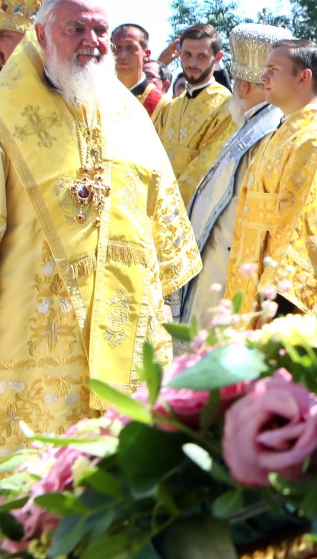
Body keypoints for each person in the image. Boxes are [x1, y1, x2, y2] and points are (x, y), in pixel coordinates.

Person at [0, 0, 199, 472]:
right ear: (41, 36)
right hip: (29, 330)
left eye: (99, 30)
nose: (92, 42)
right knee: (26, 463)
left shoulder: (130, 114)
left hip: (126, 316)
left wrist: (165, 300)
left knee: (116, 464)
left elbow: (160, 208)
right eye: (75, 28)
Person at [227, 39, 317, 321]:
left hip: (288, 305)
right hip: (254, 283)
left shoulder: (316, 140)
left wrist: (278, 306)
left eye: (273, 69)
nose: (263, 77)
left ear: (303, 76)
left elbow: (311, 233)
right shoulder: (284, 132)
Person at [178, 23, 291, 330]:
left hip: (228, 267)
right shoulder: (256, 125)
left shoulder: (267, 130)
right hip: (224, 261)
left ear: (242, 86)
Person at [154, 23, 235, 204]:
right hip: (156, 206)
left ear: (217, 57)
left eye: (201, 56)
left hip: (193, 209)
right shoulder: (171, 107)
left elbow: (207, 166)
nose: (192, 63)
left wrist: (168, 201)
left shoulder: (226, 106)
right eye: (187, 55)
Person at [111, 23, 167, 117]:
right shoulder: (98, 99)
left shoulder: (163, 106)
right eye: (117, 48)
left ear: (146, 54)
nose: (122, 55)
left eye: (130, 48)